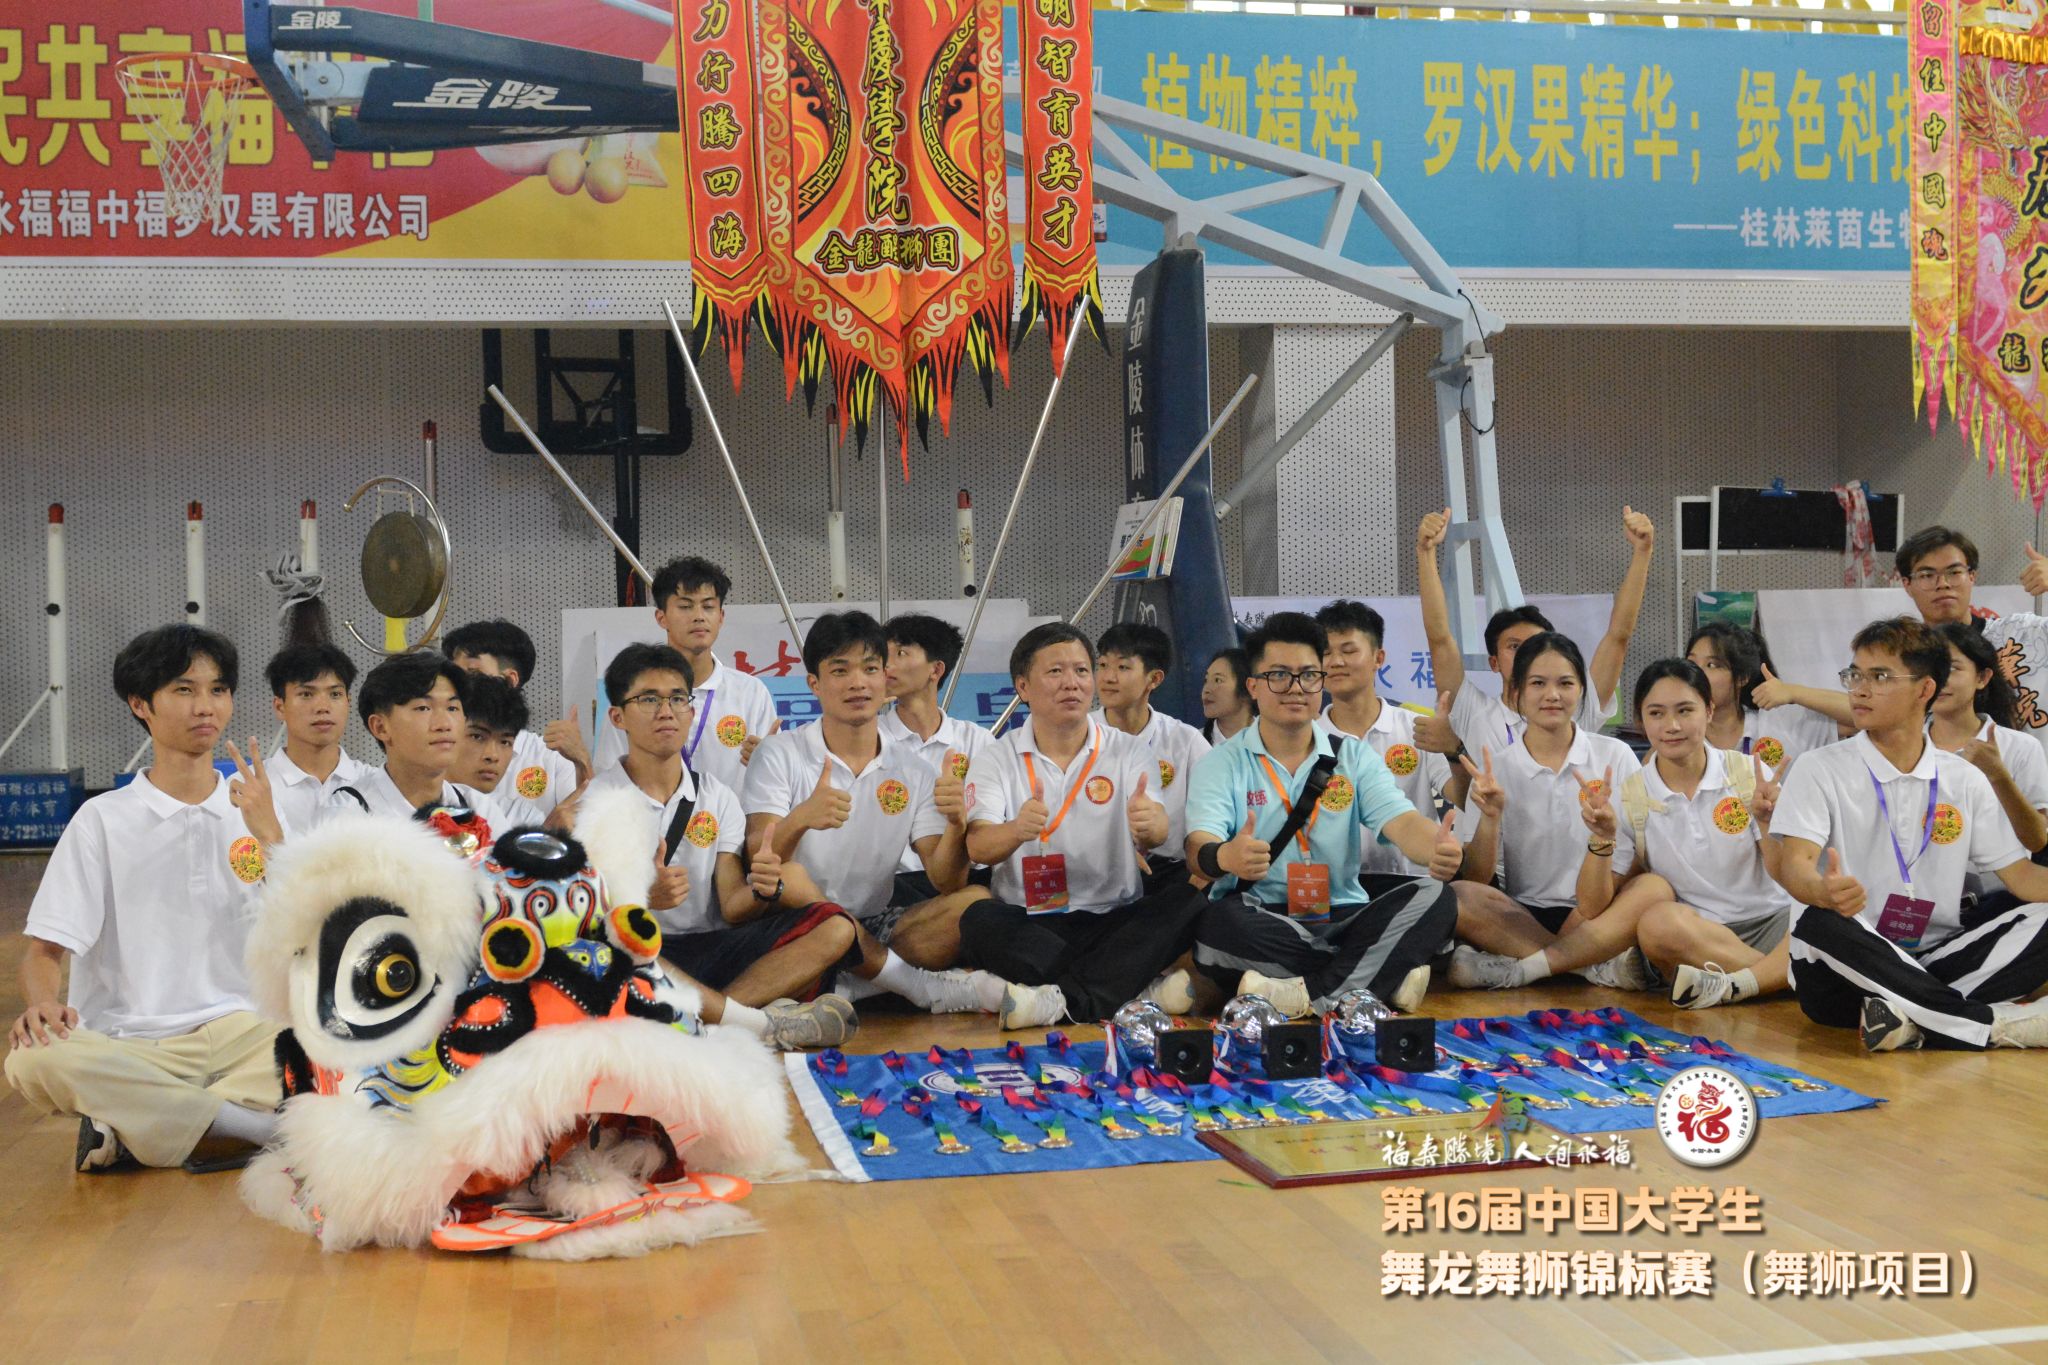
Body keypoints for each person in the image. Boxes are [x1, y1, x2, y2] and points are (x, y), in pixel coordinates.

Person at [6, 626, 284, 1172]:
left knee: (342, 1037)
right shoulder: (102, 820)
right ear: (140, 704)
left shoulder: (255, 810)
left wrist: (272, 836)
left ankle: (135, 1123)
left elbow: (304, 929)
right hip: (132, 1042)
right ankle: (248, 1127)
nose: (205, 706)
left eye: (218, 689)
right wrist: (41, 1005)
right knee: (32, 1059)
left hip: (246, 1034)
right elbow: (44, 952)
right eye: (184, 690)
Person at [744, 612, 1041, 1019]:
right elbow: (760, 861)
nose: (858, 683)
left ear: (884, 678)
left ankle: (850, 984)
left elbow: (946, 880)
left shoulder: (913, 769)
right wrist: (801, 818)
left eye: (870, 669)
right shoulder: (779, 753)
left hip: (874, 924)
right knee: (791, 877)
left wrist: (956, 826)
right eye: (840, 671)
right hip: (794, 923)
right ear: (814, 683)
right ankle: (914, 986)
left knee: (973, 901)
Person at [1775, 617, 2048, 1051]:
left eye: (1880, 677)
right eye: (1855, 676)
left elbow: (2022, 878)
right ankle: (1994, 1026)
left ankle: (1912, 1021)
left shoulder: (1963, 778)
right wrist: (1823, 891)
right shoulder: (1819, 767)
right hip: (1844, 972)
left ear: (1925, 690)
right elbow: (1794, 866)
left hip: (1936, 957)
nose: (1860, 690)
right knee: (1817, 921)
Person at [1178, 612, 1462, 1019]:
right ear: (1253, 687)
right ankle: (1376, 977)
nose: (1296, 688)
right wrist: (1225, 856)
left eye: (1309, 675)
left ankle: (1311, 996)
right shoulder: (1222, 762)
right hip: (1261, 912)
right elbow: (1198, 848)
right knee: (1217, 929)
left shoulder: (1352, 757)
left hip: (1342, 912)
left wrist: (1436, 846)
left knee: (1435, 896)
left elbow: (1401, 821)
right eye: (1279, 675)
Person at [584, 642, 859, 1049]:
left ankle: (712, 1021)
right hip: (644, 953)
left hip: (712, 948)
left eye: (678, 698)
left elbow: (732, 905)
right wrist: (642, 898)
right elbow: (584, 914)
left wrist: (764, 889)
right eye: (649, 699)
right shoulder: (592, 804)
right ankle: (755, 1023)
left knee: (836, 927)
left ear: (691, 711)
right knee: (609, 949)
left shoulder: (716, 796)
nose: (666, 711)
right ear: (617, 717)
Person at [1479, 660, 1798, 1009]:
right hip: (1696, 936)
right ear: (1640, 721)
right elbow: (1591, 905)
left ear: (1708, 711)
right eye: (1656, 713)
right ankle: (1785, 977)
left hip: (1775, 924)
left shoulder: (1748, 773)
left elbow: (1788, 877)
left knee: (1824, 917)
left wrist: (1766, 824)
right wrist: (1602, 839)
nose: (1672, 726)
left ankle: (1744, 983)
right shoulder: (1630, 795)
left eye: (1685, 710)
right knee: (1657, 924)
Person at [957, 624, 1205, 1027]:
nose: (1071, 683)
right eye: (1055, 672)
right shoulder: (996, 757)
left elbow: (1158, 829)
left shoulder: (1128, 750)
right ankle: (1132, 991)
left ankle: (1059, 1002)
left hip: (1113, 917)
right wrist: (1017, 829)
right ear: (1023, 686)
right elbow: (978, 847)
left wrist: (1150, 825)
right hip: (1029, 921)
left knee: (1186, 902)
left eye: (1081, 670)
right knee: (977, 920)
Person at [1442, 632, 1651, 990]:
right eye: (1538, 683)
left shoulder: (1614, 755)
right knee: (1461, 894)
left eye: (1565, 683)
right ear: (1517, 693)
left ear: (1581, 690)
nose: (1552, 695)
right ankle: (1587, 966)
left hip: (1601, 909)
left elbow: (1637, 857)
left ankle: (1525, 966)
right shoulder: (1496, 769)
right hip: (1525, 914)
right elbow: (1477, 876)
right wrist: (1490, 818)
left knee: (1653, 888)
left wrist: (1584, 912)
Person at [1414, 504, 1654, 759]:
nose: (1528, 653)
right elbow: (1439, 639)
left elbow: (1618, 636)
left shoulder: (1575, 708)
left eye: (1536, 644)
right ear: (1494, 663)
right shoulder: (1473, 712)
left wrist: (1643, 552)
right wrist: (1425, 552)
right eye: (1514, 646)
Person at [1314, 599, 1469, 897]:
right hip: (1333, 893)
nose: (1335, 662)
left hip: (1412, 884)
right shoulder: (1307, 740)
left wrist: (1454, 750)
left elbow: (1461, 798)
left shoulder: (1417, 728)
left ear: (1378, 657)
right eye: (1325, 653)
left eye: (1348, 651)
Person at [597, 557, 781, 789]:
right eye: (685, 606)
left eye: (708, 606)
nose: (698, 616)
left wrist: (769, 764)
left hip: (732, 813)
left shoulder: (750, 693)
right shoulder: (633, 693)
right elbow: (608, 778)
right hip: (651, 812)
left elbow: (776, 780)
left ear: (721, 617)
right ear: (661, 618)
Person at [1930, 622, 2048, 925]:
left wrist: (1998, 775)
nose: (1939, 678)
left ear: (1982, 678)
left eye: (1952, 668)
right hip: (1922, 906)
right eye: (1929, 667)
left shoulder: (2019, 747)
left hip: (2003, 903)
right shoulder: (1904, 748)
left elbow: (2037, 840)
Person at [880, 612, 993, 906]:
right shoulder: (870, 739)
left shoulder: (977, 741)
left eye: (901, 653)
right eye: (883, 654)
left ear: (936, 669)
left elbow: (990, 822)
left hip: (964, 876)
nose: (886, 664)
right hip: (891, 884)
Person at [1095, 621, 1211, 890]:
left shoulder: (1185, 741)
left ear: (1154, 679)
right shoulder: (1077, 736)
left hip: (1168, 874)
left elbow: (1214, 812)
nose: (1108, 677)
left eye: (1123, 667)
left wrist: (1203, 868)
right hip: (1095, 869)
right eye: (1102, 665)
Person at [445, 619, 588, 814]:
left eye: (472, 673)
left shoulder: (551, 759)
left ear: (509, 680)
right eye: (477, 737)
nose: (457, 686)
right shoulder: (439, 746)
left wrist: (582, 760)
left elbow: (590, 821)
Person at [331, 653, 480, 819]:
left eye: (452, 708)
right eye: (423, 708)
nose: (444, 724)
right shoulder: (347, 813)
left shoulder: (479, 807)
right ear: (380, 727)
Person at [1684, 622, 1840, 778]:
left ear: (1742, 677)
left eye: (1712, 665)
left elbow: (1853, 715)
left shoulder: (1777, 724)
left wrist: (1793, 692)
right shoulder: (1677, 733)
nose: (1696, 674)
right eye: (1691, 663)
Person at [263, 641, 368, 837]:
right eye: (306, 694)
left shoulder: (374, 784)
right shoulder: (249, 787)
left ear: (348, 702)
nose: (323, 707)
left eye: (335, 694)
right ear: (280, 707)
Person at [444, 672, 545, 829]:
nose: (492, 755)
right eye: (477, 737)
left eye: (505, 742)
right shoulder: (412, 805)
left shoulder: (523, 818)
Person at [1199, 646, 1256, 744]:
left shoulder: (1277, 740)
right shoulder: (1193, 743)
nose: (1206, 689)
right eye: (1206, 680)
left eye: (1218, 680)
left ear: (1249, 688)